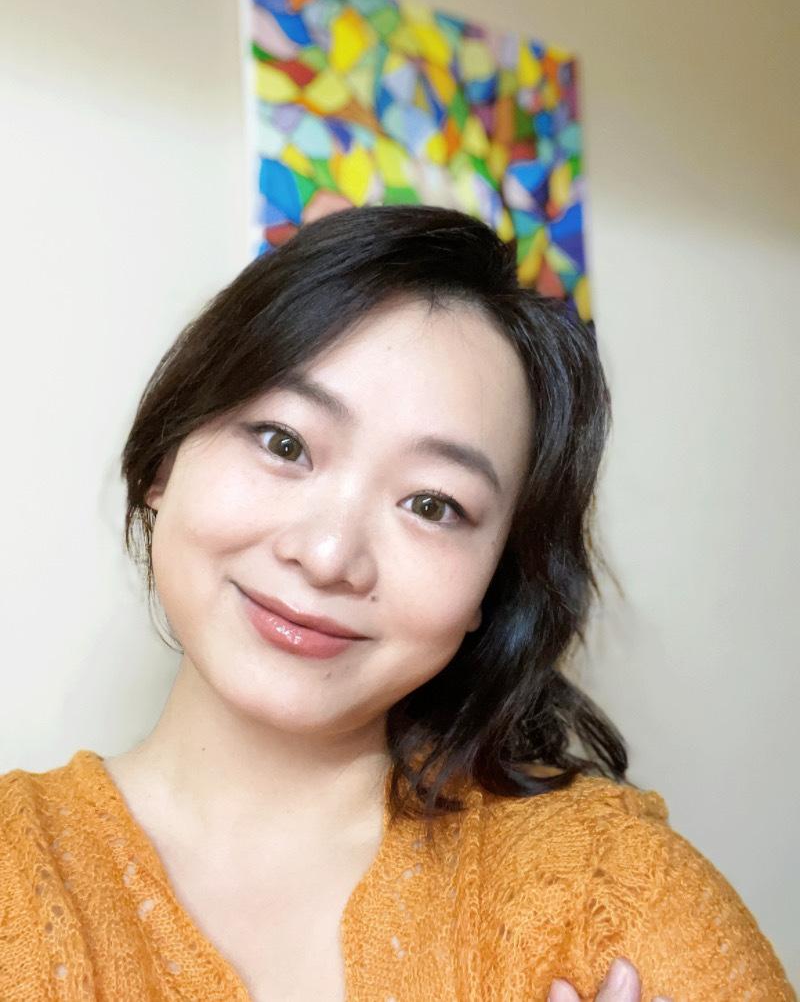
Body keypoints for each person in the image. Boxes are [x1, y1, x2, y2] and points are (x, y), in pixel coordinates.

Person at [0, 205, 793, 1002]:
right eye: (284, 443)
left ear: (493, 582)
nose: (328, 555)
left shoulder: (609, 884)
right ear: (166, 460)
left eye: (432, 504)